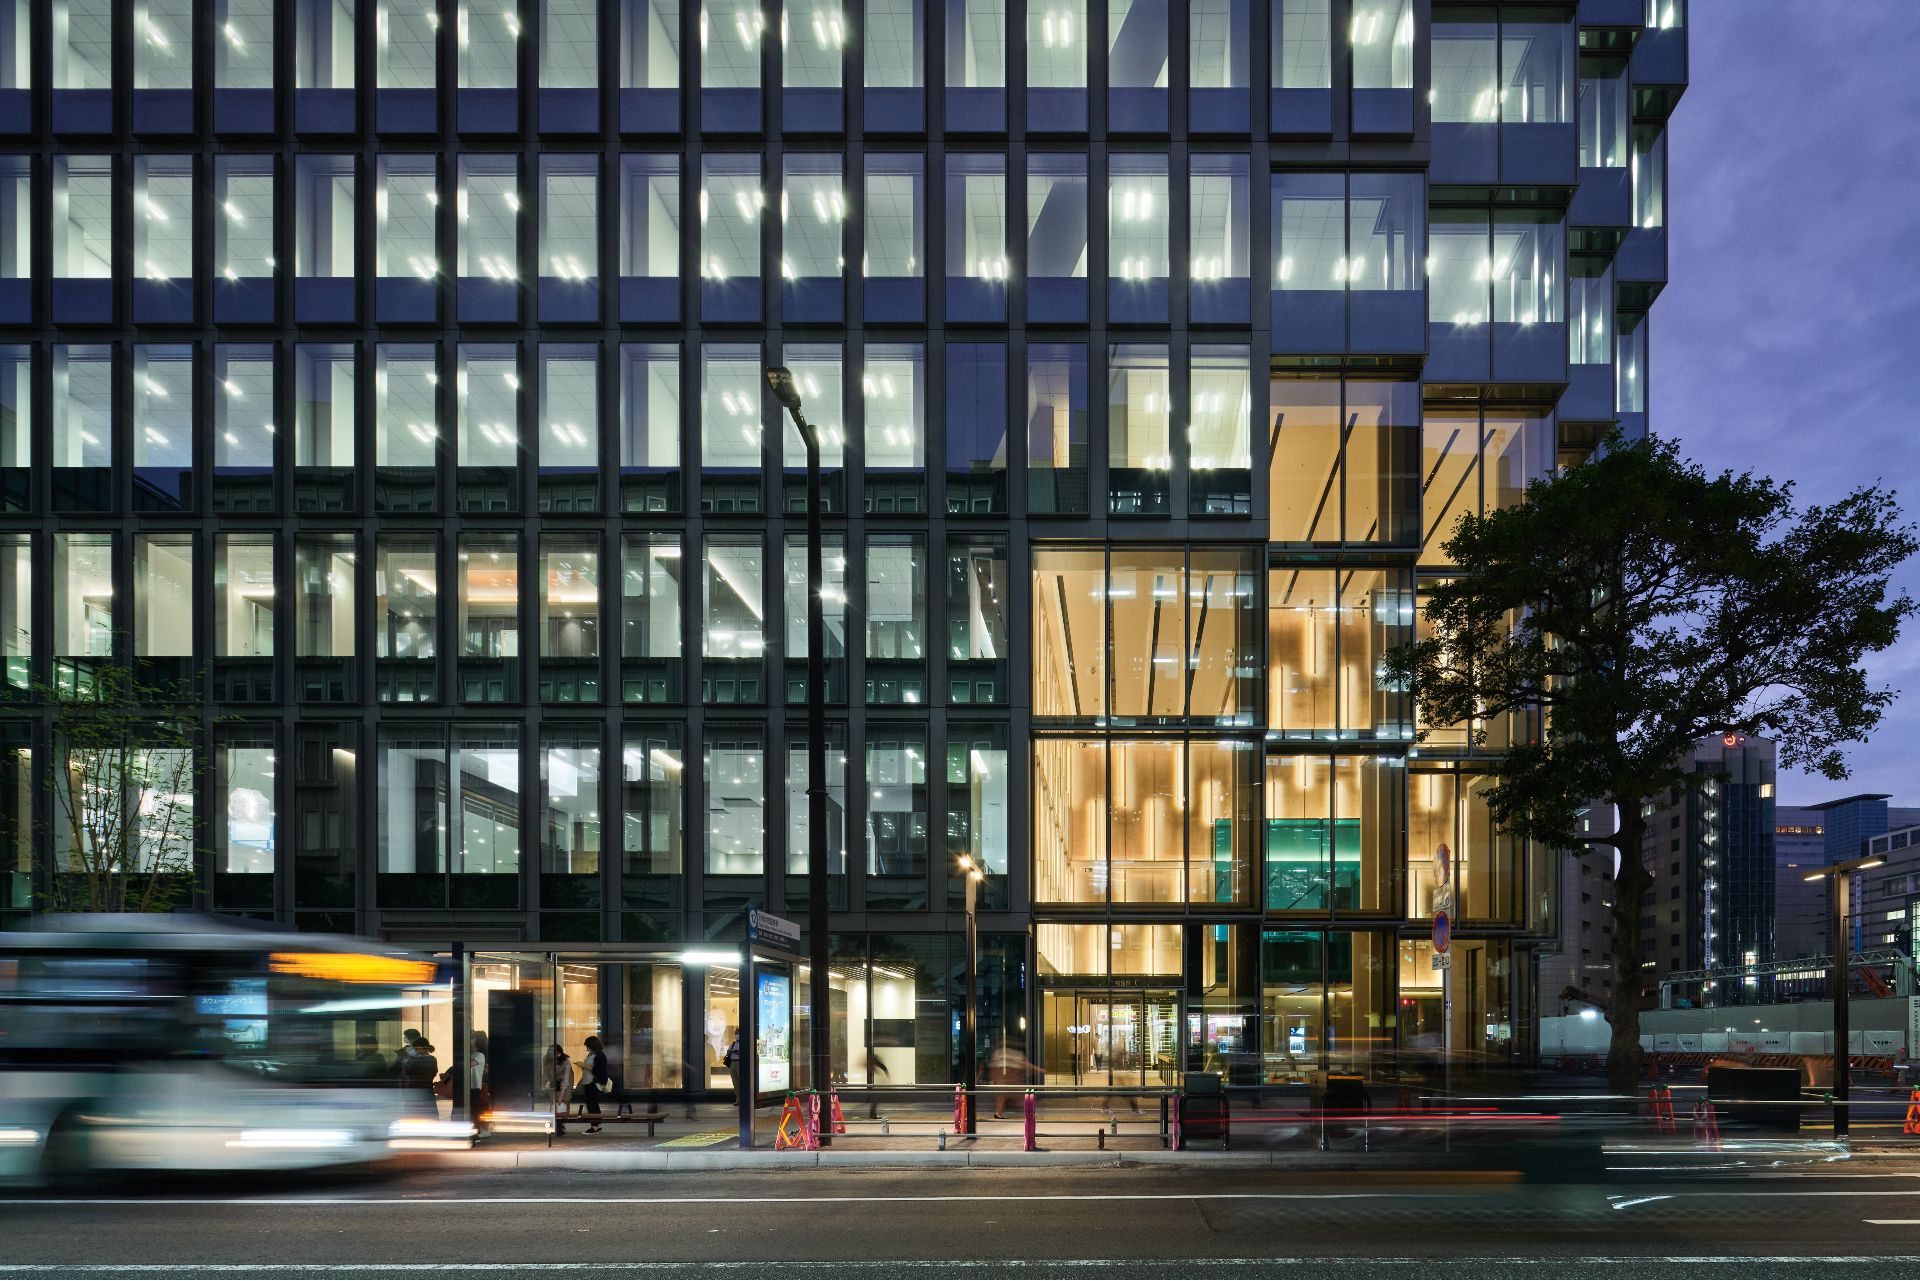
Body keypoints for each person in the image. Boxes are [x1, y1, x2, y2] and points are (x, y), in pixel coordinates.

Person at [581, 1035, 611, 1134]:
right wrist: (584, 1067)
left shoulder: (600, 1056)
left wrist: (587, 1067)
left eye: (587, 1046)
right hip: (587, 1083)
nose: (587, 1049)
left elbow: (600, 1071)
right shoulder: (591, 1055)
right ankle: (595, 1125)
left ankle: (594, 1127)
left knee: (592, 1105)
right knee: (591, 1104)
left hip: (593, 1083)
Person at [401, 1039, 440, 1112]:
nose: (416, 1051)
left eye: (417, 1049)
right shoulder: (432, 1059)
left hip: (416, 1091)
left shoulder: (416, 1060)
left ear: (424, 1048)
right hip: (426, 1090)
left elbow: (408, 1072)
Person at [549, 1044, 575, 1136]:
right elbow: (546, 1073)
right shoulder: (547, 1059)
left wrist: (561, 1095)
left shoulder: (566, 1061)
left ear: (560, 1053)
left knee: (565, 1100)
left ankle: (563, 1123)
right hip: (555, 1079)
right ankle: (554, 1123)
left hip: (567, 1080)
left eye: (556, 1054)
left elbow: (566, 1078)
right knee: (554, 1100)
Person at [722, 1033, 741, 1103]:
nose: (736, 1035)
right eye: (735, 1033)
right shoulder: (733, 1043)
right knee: (735, 1082)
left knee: (741, 1081)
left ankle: (744, 1099)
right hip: (733, 1062)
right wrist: (730, 1052)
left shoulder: (744, 1043)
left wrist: (735, 1052)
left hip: (740, 1062)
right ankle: (738, 1099)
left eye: (738, 1033)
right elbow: (728, 1052)